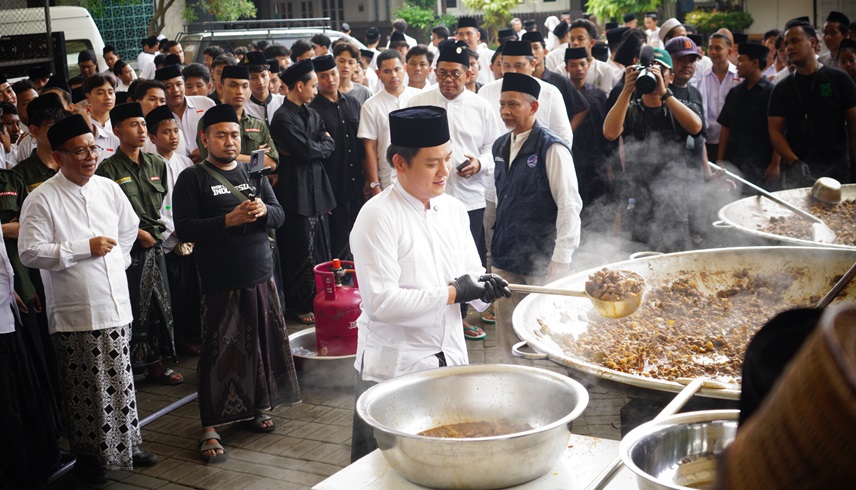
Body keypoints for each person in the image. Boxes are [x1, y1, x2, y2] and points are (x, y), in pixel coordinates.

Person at [349, 105, 511, 462]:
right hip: (395, 369)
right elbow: (382, 303)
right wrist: (454, 293)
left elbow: (469, 275)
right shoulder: (378, 216)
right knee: (384, 470)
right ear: (400, 163)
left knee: (444, 463)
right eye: (431, 163)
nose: (444, 172)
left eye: (448, 159)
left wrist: (485, 292)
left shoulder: (452, 209)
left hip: (448, 359)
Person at [18, 114, 158, 483]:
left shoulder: (108, 188)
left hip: (115, 303)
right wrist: (83, 249)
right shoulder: (41, 198)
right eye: (78, 151)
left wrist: (118, 260)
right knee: (87, 390)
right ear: (58, 156)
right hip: (75, 311)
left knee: (122, 379)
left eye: (92, 148)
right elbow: (30, 252)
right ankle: (90, 457)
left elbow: (129, 229)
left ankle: (128, 443)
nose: (88, 157)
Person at [172, 103, 300, 464]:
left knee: (259, 342)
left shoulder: (252, 173)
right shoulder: (192, 179)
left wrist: (263, 213)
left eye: (234, 135)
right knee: (220, 349)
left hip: (260, 272)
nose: (229, 142)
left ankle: (259, 406)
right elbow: (185, 228)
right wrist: (227, 220)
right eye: (221, 135)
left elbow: (280, 214)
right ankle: (210, 425)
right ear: (204, 139)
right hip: (221, 279)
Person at [407, 43, 503, 340]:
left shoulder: (481, 106)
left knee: (463, 259)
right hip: (426, 197)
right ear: (434, 72)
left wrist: (479, 163)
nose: (449, 80)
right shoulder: (419, 102)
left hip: (468, 197)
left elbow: (494, 148)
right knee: (428, 255)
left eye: (456, 74)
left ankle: (460, 317)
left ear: (469, 73)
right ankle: (429, 313)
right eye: (443, 73)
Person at [491, 73, 582, 363]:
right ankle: (510, 385)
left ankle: (551, 389)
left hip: (542, 258)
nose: (505, 111)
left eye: (513, 105)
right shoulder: (499, 146)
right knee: (506, 328)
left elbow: (569, 205)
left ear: (533, 108)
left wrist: (561, 258)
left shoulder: (551, 148)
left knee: (544, 330)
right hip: (505, 255)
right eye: (502, 104)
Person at [95, 102, 181, 385]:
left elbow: (163, 207)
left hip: (155, 245)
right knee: (135, 308)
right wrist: (136, 234)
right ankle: (132, 369)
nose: (142, 130)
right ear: (117, 131)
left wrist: (158, 233)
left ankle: (158, 363)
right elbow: (106, 215)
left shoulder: (157, 163)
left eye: (143, 124)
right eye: (134, 125)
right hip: (130, 250)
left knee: (160, 307)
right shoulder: (108, 169)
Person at [603, 48, 704, 252]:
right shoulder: (630, 108)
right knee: (638, 254)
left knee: (674, 256)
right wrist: (626, 90)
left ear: (671, 77)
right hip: (637, 195)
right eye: (648, 71)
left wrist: (665, 94)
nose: (653, 75)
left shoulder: (681, 106)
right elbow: (610, 133)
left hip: (673, 197)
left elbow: (696, 127)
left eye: (660, 71)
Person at [270, 59, 336, 324]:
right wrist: (320, 146)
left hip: (318, 188)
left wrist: (320, 146)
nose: (316, 91)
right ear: (299, 86)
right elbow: (308, 149)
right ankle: (299, 305)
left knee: (321, 248)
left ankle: (321, 299)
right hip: (295, 191)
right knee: (300, 250)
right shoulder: (283, 117)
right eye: (313, 86)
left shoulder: (311, 113)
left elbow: (325, 145)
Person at [768, 20, 856, 186]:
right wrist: (793, 162)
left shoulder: (839, 79)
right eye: (787, 44)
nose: (789, 48)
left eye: (795, 41)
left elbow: (854, 123)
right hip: (799, 173)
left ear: (813, 43)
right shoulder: (781, 88)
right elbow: (775, 131)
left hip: (837, 170)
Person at [144, 105, 200, 355]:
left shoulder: (186, 162)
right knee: (174, 292)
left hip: (192, 235)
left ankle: (192, 335)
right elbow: (153, 207)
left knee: (192, 290)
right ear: (153, 138)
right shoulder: (149, 166)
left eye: (176, 131)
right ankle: (176, 341)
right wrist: (173, 231)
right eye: (166, 132)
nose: (173, 137)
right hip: (168, 238)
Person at [309, 55, 365, 260]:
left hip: (356, 183)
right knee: (337, 241)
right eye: (323, 76)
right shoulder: (312, 110)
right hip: (332, 186)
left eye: (333, 74)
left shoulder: (353, 103)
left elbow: (363, 144)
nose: (330, 79)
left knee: (360, 238)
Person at [358, 50, 420, 194]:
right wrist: (374, 183)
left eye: (397, 69)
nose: (393, 75)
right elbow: (370, 148)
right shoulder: (370, 105)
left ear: (404, 69)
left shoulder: (418, 98)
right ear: (378, 74)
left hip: (418, 172)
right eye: (387, 71)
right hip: (387, 177)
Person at [717, 42, 776, 189]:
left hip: (761, 163)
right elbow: (726, 126)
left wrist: (775, 163)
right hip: (734, 162)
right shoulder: (734, 93)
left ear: (755, 63)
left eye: (741, 60)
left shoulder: (772, 93)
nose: (737, 64)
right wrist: (720, 159)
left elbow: (779, 132)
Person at [564, 47, 610, 208]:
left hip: (597, 160)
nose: (578, 69)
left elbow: (606, 128)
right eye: (574, 65)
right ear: (566, 68)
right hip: (572, 159)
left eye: (582, 64)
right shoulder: (561, 94)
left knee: (600, 203)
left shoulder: (599, 95)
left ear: (589, 65)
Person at [156, 65, 215, 164]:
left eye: (179, 84)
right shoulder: (158, 116)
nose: (175, 90)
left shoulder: (206, 103)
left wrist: (204, 151)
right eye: (168, 87)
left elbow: (219, 133)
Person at [699, 33, 741, 159]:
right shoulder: (702, 77)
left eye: (718, 48)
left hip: (733, 141)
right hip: (708, 141)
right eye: (710, 48)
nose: (713, 52)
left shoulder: (739, 76)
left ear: (729, 51)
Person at [565, 20, 622, 94]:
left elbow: (604, 100)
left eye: (580, 39)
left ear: (592, 43)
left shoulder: (605, 70)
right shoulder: (561, 71)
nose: (575, 43)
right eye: (572, 39)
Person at [242, 52, 285, 125]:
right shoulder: (243, 108)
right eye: (254, 78)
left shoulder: (283, 102)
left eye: (263, 75)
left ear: (269, 75)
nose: (260, 82)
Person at [456, 16, 494, 85]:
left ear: (478, 35)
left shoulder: (490, 56)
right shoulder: (454, 57)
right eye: (461, 34)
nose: (465, 38)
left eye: (469, 34)